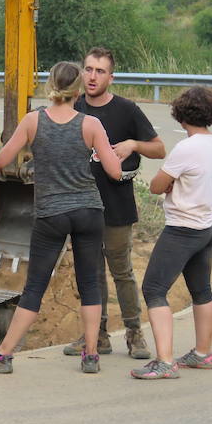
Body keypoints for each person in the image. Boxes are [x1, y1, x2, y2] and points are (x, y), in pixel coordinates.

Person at [0, 61, 121, 375]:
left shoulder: (33, 121)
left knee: (34, 288)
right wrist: (97, 156)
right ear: (78, 89)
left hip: (50, 213)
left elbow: (2, 161)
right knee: (89, 284)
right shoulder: (91, 124)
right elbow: (114, 171)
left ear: (50, 86)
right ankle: (92, 355)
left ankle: (2, 355)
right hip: (88, 211)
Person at [63, 47, 165, 360]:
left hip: (117, 207)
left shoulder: (127, 110)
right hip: (82, 207)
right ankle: (99, 335)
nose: (92, 76)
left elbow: (159, 149)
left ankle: (135, 334)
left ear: (111, 76)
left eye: (100, 71)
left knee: (121, 272)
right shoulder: (73, 106)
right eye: (89, 69)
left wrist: (134, 144)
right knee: (90, 274)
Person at [131, 87, 212, 380]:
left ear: (181, 115)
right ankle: (202, 353)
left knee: (154, 289)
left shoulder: (186, 148)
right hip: (208, 224)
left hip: (184, 228)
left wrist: (169, 183)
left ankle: (165, 361)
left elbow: (157, 185)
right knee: (202, 290)